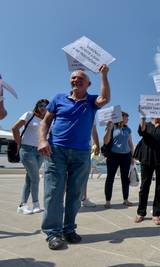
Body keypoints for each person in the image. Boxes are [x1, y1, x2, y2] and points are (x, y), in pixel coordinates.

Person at [38, 65, 110, 250]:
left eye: (80, 78)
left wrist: (104, 74)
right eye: (73, 78)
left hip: (81, 153)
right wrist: (42, 140)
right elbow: (45, 121)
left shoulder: (92, 101)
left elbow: (105, 98)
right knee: (53, 192)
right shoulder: (58, 98)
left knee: (75, 193)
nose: (75, 80)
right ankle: (53, 233)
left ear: (88, 84)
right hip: (56, 151)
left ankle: (69, 229)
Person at [134, 114, 160, 225]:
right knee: (144, 186)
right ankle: (141, 212)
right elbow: (141, 131)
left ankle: (156, 214)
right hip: (146, 159)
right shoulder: (146, 125)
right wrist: (142, 117)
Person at [12, 99, 49, 215]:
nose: (43, 107)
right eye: (41, 105)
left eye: (46, 106)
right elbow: (14, 128)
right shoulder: (29, 115)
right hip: (27, 150)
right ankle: (36, 204)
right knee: (35, 178)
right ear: (37, 106)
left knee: (30, 179)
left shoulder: (47, 121)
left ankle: (22, 205)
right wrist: (19, 143)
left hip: (40, 151)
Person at [103, 112, 134, 208]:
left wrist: (133, 157)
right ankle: (108, 201)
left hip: (126, 156)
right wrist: (108, 128)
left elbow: (130, 143)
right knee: (110, 178)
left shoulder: (128, 129)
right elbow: (106, 141)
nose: (127, 119)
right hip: (113, 156)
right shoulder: (112, 127)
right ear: (121, 118)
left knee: (125, 179)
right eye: (126, 117)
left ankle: (125, 199)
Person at [81, 123, 100, 208]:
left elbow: (94, 129)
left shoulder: (91, 110)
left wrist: (97, 145)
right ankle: (61, 201)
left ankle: (84, 199)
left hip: (85, 148)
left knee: (84, 176)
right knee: (65, 177)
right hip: (67, 146)